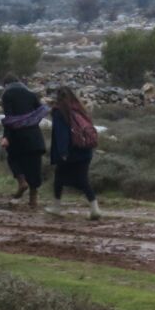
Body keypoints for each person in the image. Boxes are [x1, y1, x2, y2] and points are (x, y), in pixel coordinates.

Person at [49, 86, 101, 220]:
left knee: (59, 178)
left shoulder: (59, 112)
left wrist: (63, 152)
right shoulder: (80, 109)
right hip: (85, 150)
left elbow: (62, 134)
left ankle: (56, 207)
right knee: (83, 179)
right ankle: (94, 208)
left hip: (71, 152)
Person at [0, 76, 48, 207]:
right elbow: (41, 110)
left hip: (17, 135)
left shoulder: (7, 94)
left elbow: (10, 119)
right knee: (34, 164)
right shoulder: (31, 94)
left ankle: (22, 182)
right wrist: (31, 120)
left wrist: (6, 137)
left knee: (13, 158)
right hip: (34, 135)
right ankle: (33, 198)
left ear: (6, 84)